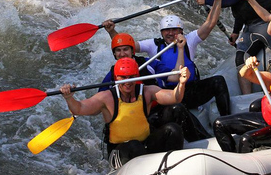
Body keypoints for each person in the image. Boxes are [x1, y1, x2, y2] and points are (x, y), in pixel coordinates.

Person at [103, 0, 231, 118]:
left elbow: (210, 23)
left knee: (218, 81)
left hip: (190, 90)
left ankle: (227, 118)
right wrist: (111, 31)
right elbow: (125, 46)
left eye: (174, 30)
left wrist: (218, 0)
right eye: (166, 31)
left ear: (181, 31)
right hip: (168, 94)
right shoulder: (154, 45)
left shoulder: (190, 40)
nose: (170, 33)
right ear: (161, 32)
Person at [60, 59, 190, 168]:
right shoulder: (106, 98)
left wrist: (181, 83)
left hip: (145, 145)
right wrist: (69, 98)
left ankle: (172, 169)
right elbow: (79, 108)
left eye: (131, 77)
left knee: (173, 129)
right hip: (120, 151)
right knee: (135, 146)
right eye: (123, 77)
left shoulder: (147, 91)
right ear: (116, 78)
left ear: (137, 77)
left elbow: (174, 97)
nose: (127, 82)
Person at [212, 63, 271, 168]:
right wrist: (248, 65)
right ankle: (232, 160)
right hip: (268, 118)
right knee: (219, 124)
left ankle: (243, 168)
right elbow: (244, 74)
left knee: (246, 140)